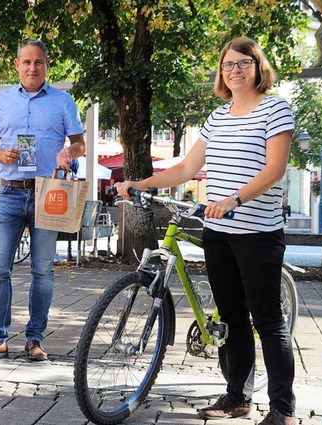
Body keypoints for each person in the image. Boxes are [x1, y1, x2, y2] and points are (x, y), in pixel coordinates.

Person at [116, 37, 296, 425]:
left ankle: (284, 410)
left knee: (267, 320)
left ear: (257, 66)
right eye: (228, 64)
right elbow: (185, 168)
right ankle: (237, 397)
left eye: (243, 63)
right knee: (231, 316)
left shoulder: (276, 109)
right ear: (221, 72)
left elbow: (275, 169)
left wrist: (234, 199)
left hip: (258, 232)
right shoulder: (217, 117)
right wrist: (141, 183)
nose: (235, 70)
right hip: (218, 232)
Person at [0, 39, 85, 362]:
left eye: (38, 62)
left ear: (47, 65)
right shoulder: (2, 100)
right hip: (10, 191)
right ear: (16, 64)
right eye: (26, 62)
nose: (32, 68)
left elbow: (79, 143)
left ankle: (35, 338)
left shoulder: (63, 101)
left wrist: (69, 152)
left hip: (47, 193)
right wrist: (2, 155)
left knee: (43, 271)